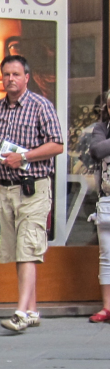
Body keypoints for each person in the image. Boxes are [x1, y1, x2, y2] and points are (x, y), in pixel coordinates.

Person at [0, 55, 64, 333]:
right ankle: (31, 310)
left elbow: (57, 145)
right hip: (5, 189)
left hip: (33, 187)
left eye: (16, 74)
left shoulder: (40, 106)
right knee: (15, 251)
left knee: (27, 249)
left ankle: (21, 312)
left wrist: (25, 157)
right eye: (6, 74)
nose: (10, 79)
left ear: (26, 77)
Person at [85, 91, 110, 323]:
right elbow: (97, 151)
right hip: (107, 199)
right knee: (106, 255)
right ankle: (107, 306)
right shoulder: (102, 129)